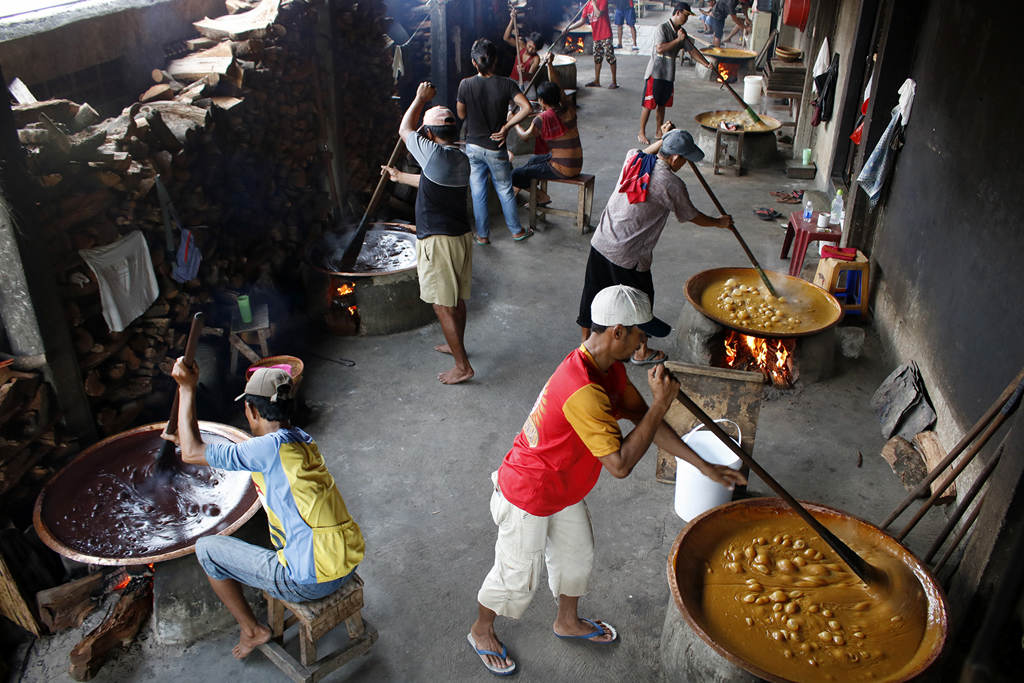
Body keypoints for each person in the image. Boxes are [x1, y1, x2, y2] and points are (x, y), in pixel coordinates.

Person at [466, 285, 746, 676]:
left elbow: (645, 421)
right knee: (514, 578)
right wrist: (662, 403)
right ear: (617, 332)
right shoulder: (582, 388)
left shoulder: (608, 367)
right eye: (640, 333)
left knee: (576, 557)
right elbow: (620, 465)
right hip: (528, 492)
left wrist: (703, 466)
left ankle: (566, 621)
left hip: (564, 486)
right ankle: (481, 630)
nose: (644, 341)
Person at [166, 364, 365, 660]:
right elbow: (211, 447)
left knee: (206, 549)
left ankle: (252, 630)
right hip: (345, 561)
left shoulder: (262, 451)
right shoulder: (299, 440)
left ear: (252, 411)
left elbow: (191, 453)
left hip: (308, 582)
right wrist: (188, 439)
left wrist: (186, 388)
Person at [577, 124, 731, 365]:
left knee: (593, 291)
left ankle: (586, 346)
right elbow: (692, 215)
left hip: (602, 240)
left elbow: (647, 151)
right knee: (640, 302)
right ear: (677, 158)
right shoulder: (671, 184)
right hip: (628, 254)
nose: (684, 165)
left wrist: (665, 138)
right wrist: (719, 223)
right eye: (685, 160)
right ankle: (640, 352)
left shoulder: (634, 159)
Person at [382, 81, 476, 384]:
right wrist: (399, 176)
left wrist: (419, 98)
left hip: (438, 240)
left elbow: (404, 129)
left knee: (441, 304)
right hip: (460, 236)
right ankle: (456, 346)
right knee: (456, 299)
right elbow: (431, 183)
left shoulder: (431, 152)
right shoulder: (459, 158)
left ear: (431, 135)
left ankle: (463, 366)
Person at [457, 38, 534, 243]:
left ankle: (482, 236)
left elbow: (461, 114)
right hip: (495, 147)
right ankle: (516, 231)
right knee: (504, 189)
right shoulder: (506, 84)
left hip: (472, 146)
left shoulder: (465, 84)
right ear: (495, 60)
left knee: (478, 192)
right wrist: (507, 127)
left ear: (474, 62)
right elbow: (527, 108)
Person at [510, 53, 583, 206]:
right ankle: (526, 192)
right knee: (533, 160)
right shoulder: (568, 108)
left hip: (563, 168)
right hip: (577, 163)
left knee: (516, 173)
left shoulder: (542, 118)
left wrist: (514, 122)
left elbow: (524, 136)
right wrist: (549, 64)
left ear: (541, 101)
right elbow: (559, 88)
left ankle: (541, 196)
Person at [638, 2, 711, 145]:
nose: (686, 19)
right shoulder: (662, 28)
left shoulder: (681, 32)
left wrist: (706, 63)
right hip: (655, 72)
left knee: (662, 104)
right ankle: (641, 132)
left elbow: (692, 51)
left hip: (668, 74)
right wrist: (678, 40)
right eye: (685, 15)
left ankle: (659, 131)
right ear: (677, 13)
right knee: (649, 103)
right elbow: (660, 48)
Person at [568, 0, 618, 89]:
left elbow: (598, 14)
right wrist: (569, 28)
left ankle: (614, 82)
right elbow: (582, 21)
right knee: (597, 58)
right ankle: (597, 81)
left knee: (610, 57)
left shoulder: (602, 1)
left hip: (606, 34)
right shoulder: (587, 5)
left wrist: (594, 2)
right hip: (596, 35)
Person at [503, 9, 542, 86]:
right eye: (529, 46)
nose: (530, 50)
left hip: (525, 83)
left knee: (532, 96)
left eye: (533, 49)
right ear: (527, 42)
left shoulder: (536, 58)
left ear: (537, 49)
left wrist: (523, 73)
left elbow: (530, 76)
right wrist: (512, 20)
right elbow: (506, 38)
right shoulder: (521, 46)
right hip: (513, 80)